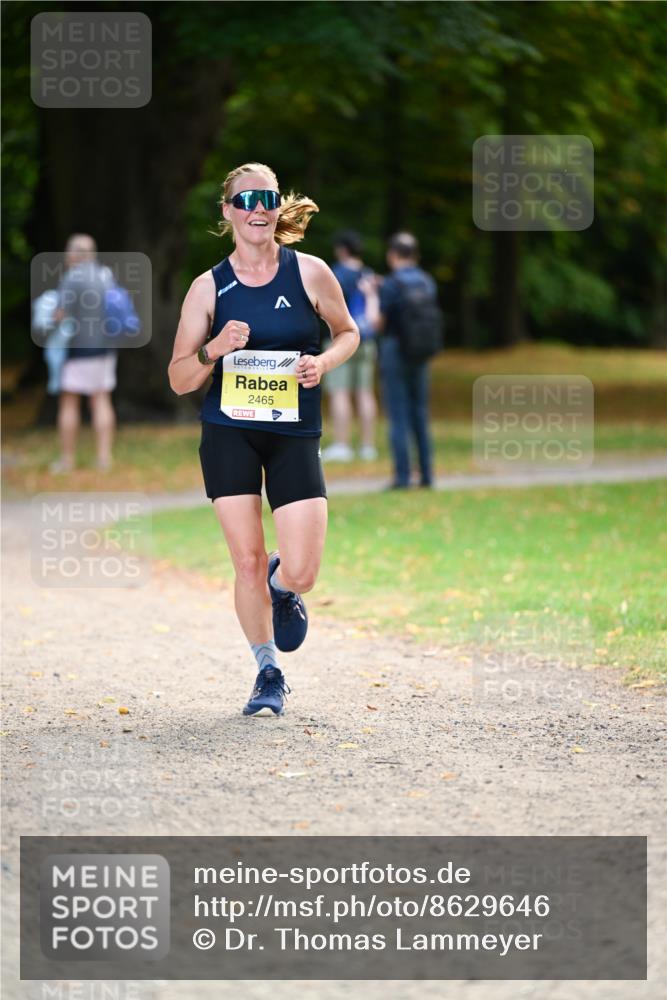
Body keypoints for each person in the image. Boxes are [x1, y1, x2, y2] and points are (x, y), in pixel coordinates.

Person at [168, 162, 359, 717]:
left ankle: (283, 584)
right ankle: (267, 670)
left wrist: (323, 363)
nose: (259, 209)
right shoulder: (208, 287)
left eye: (268, 199)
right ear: (228, 211)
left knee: (303, 571)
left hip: (294, 432)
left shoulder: (311, 272)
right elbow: (179, 378)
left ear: (278, 208)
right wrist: (214, 348)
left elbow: (348, 333)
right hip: (229, 432)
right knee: (246, 561)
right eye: (247, 200)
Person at [50, 234, 117, 473]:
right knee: (101, 400)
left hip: (78, 348)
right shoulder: (105, 275)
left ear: (75, 253)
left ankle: (67, 459)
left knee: (69, 402)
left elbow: (60, 314)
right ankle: (104, 458)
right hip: (105, 348)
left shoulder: (72, 278)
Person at [377, 232, 438, 489]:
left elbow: (379, 323)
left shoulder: (392, 284)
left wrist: (371, 295)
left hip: (395, 349)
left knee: (398, 414)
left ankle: (402, 477)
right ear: (415, 255)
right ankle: (427, 475)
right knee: (420, 413)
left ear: (392, 255)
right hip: (421, 352)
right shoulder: (427, 282)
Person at [321, 231, 380, 462]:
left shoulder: (336, 273)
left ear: (342, 249)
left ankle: (342, 445)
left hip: (340, 339)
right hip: (367, 339)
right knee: (365, 392)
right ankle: (367, 446)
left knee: (340, 392)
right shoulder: (368, 274)